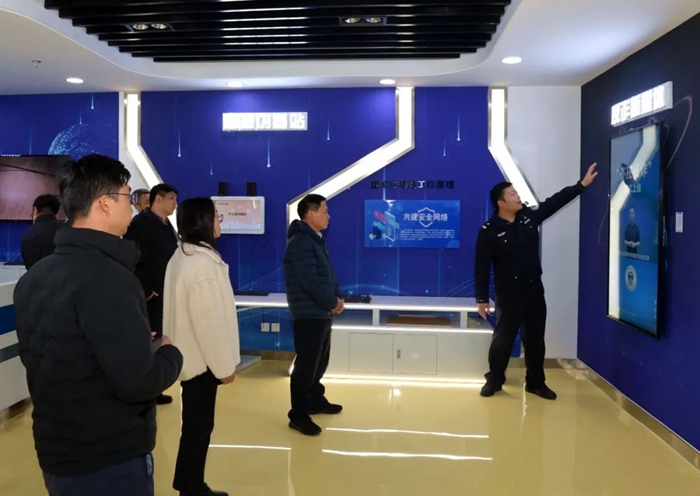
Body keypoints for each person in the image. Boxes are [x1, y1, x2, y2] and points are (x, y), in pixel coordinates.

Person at [13, 154, 183, 496]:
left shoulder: (35, 278)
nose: (132, 208)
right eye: (127, 197)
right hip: (110, 458)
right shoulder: (110, 279)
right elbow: (138, 382)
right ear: (105, 203)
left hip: (56, 451)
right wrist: (169, 353)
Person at [475, 163, 599, 400]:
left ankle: (535, 383)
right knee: (502, 340)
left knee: (535, 339)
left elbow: (555, 201)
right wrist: (481, 299)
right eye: (513, 194)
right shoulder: (489, 230)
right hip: (508, 294)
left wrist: (581, 185)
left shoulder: (529, 217)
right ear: (501, 202)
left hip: (533, 290)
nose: (518, 196)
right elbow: (481, 266)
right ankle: (495, 380)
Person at [164, 198, 240, 496]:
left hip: (189, 357)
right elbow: (209, 324)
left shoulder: (183, 255)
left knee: (194, 426)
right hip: (202, 362)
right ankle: (192, 487)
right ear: (203, 221)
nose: (220, 221)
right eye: (217, 216)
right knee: (198, 428)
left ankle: (188, 482)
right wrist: (224, 368)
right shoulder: (202, 264)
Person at [283, 194, 344, 436]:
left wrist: (336, 298)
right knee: (306, 366)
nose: (329, 216)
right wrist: (332, 302)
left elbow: (326, 276)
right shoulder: (300, 242)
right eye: (324, 211)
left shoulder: (315, 240)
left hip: (321, 312)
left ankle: (315, 400)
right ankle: (298, 414)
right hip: (308, 313)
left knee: (319, 362)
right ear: (310, 214)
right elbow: (309, 281)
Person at [124, 183, 179, 404]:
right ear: (158, 199)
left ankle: (154, 387)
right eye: (171, 198)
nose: (175, 204)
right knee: (148, 339)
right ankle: (146, 388)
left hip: (164, 292)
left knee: (158, 337)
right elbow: (134, 259)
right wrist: (147, 289)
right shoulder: (141, 224)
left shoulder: (166, 225)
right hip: (149, 295)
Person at [20, 194, 66, 270]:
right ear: (56, 212)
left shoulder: (29, 235)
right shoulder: (68, 230)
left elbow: (31, 270)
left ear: (35, 210)